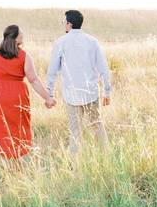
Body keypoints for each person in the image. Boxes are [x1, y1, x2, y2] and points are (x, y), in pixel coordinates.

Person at [0, 24, 55, 160]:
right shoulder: (24, 56)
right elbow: (33, 80)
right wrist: (48, 98)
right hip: (17, 96)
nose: (23, 35)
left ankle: (5, 159)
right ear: (17, 38)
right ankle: (15, 159)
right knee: (17, 129)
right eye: (21, 33)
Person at [46, 10, 112, 158]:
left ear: (69, 24)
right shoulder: (92, 42)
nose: (63, 24)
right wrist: (107, 92)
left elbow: (52, 71)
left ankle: (75, 165)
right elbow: (104, 69)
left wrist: (49, 94)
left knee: (75, 131)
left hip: (71, 96)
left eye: (64, 22)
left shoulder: (60, 42)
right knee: (97, 126)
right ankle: (107, 158)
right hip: (91, 93)